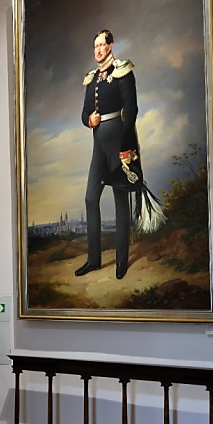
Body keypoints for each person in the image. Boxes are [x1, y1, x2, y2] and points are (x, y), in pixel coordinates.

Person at [74, 30, 139, 281]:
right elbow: (84, 112)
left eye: (102, 45)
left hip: (118, 139)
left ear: (111, 46)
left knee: (121, 201)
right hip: (98, 143)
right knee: (91, 198)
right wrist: (88, 120)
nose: (98, 50)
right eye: (95, 46)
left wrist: (125, 146)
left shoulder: (123, 72)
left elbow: (131, 110)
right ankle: (94, 259)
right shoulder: (91, 80)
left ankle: (121, 260)